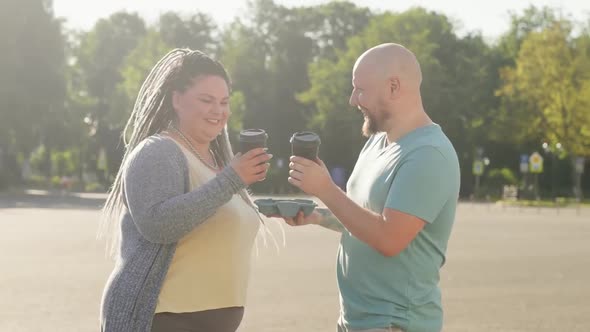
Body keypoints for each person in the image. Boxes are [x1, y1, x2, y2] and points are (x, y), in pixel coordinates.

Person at [280, 43, 461, 332]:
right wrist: (318, 215)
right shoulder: (378, 141)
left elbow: (389, 238)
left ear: (393, 87)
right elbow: (364, 217)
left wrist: (326, 189)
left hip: (395, 324)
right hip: (357, 320)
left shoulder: (428, 154)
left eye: (360, 89)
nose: (353, 99)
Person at [98, 49, 272, 332]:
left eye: (224, 102)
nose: (218, 111)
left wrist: (267, 208)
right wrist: (230, 180)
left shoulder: (217, 163)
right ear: (176, 100)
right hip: (161, 319)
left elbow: (210, 215)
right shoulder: (158, 151)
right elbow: (159, 224)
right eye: (206, 100)